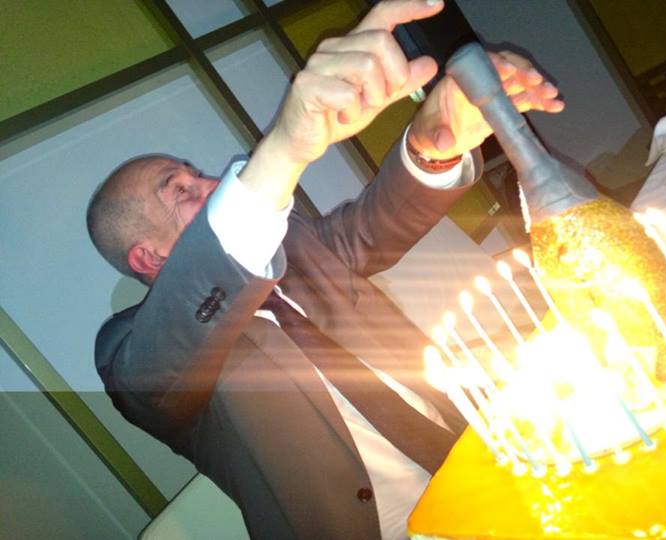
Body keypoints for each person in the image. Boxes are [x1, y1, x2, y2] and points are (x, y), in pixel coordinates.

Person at [87, 1, 563, 538]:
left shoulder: (294, 251)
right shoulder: (133, 355)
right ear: (150, 258)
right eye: (182, 191)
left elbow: (372, 226)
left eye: (197, 175)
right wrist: (284, 147)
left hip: (487, 463)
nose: (215, 184)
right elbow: (163, 362)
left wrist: (434, 144)